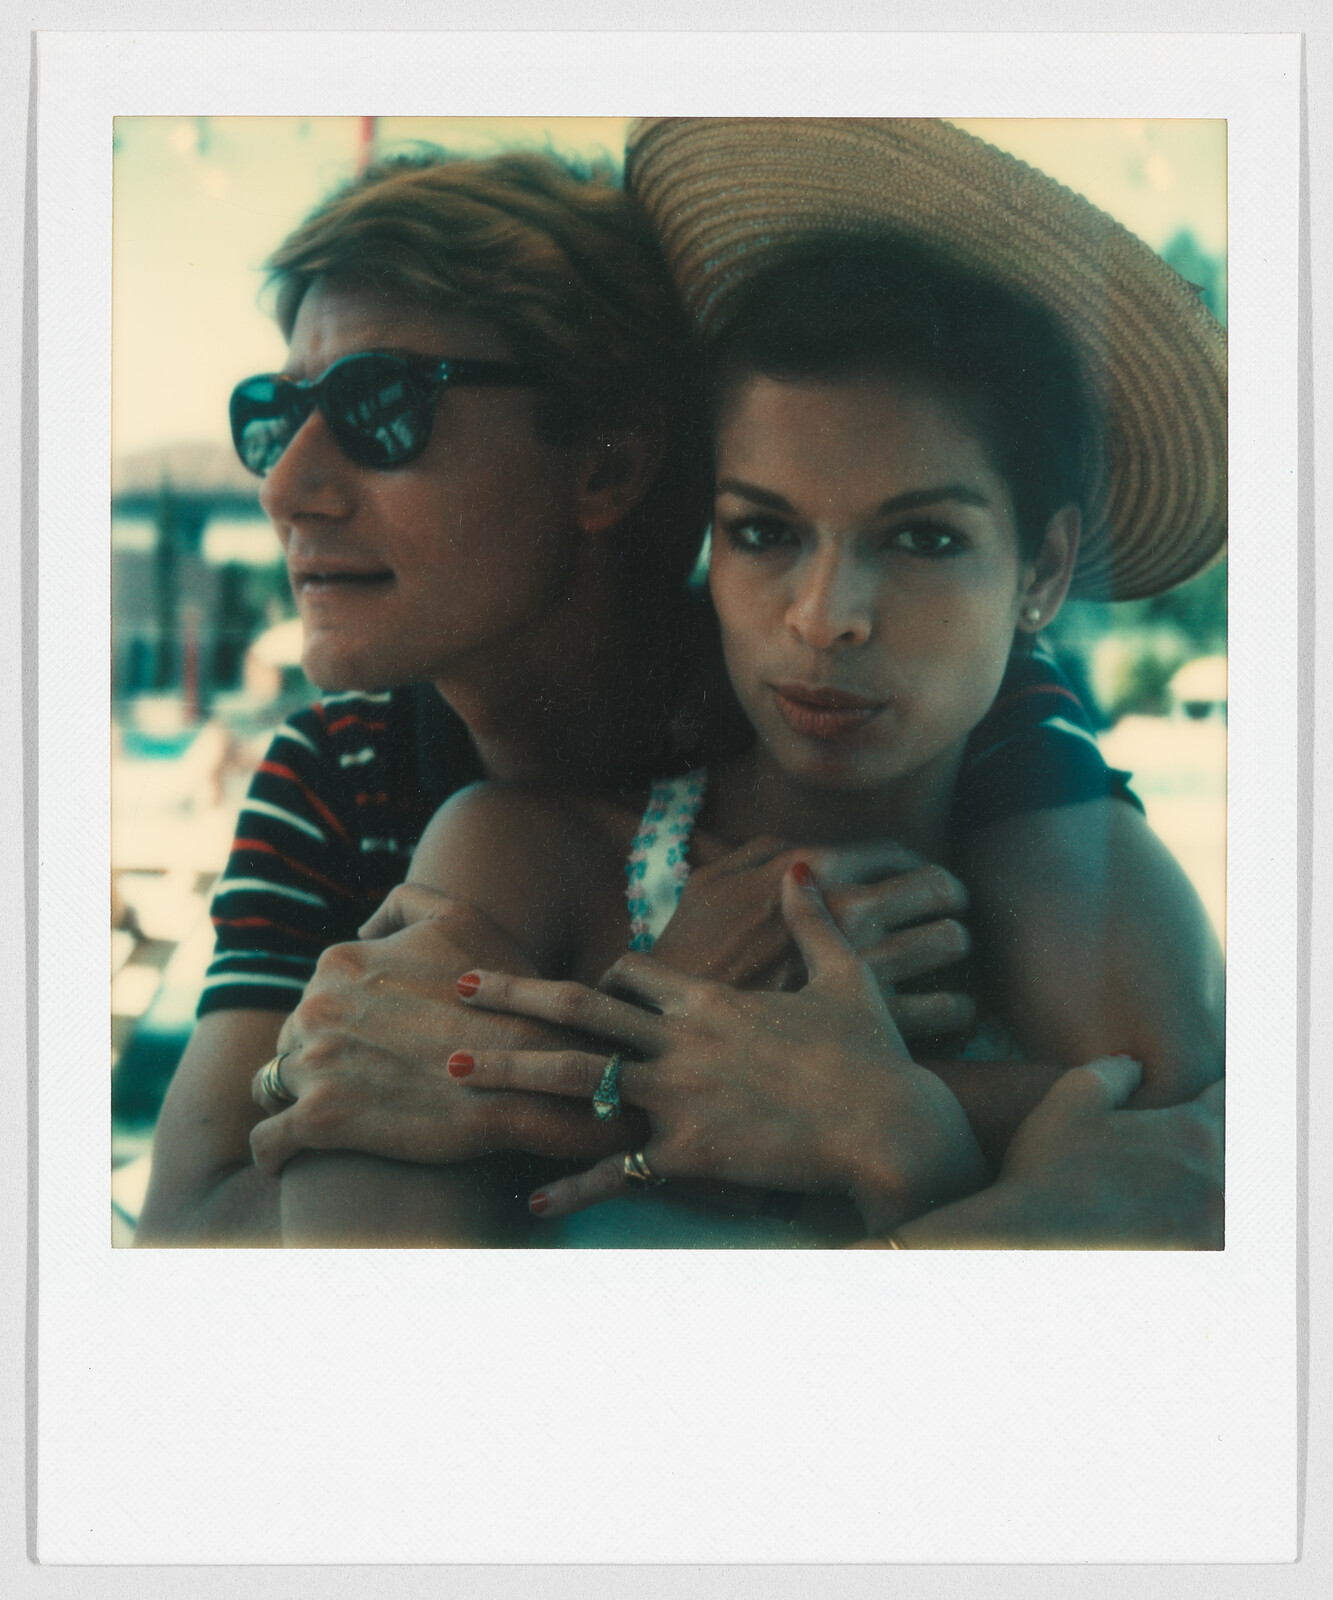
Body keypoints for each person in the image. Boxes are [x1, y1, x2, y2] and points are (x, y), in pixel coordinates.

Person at [133, 129, 1224, 1248]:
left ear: (609, 464)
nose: (288, 487)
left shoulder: (934, 707)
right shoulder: (353, 780)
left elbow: (1190, 1138)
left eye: (380, 406)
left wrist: (874, 1120)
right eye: (762, 531)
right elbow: (203, 1226)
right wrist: (652, 1040)